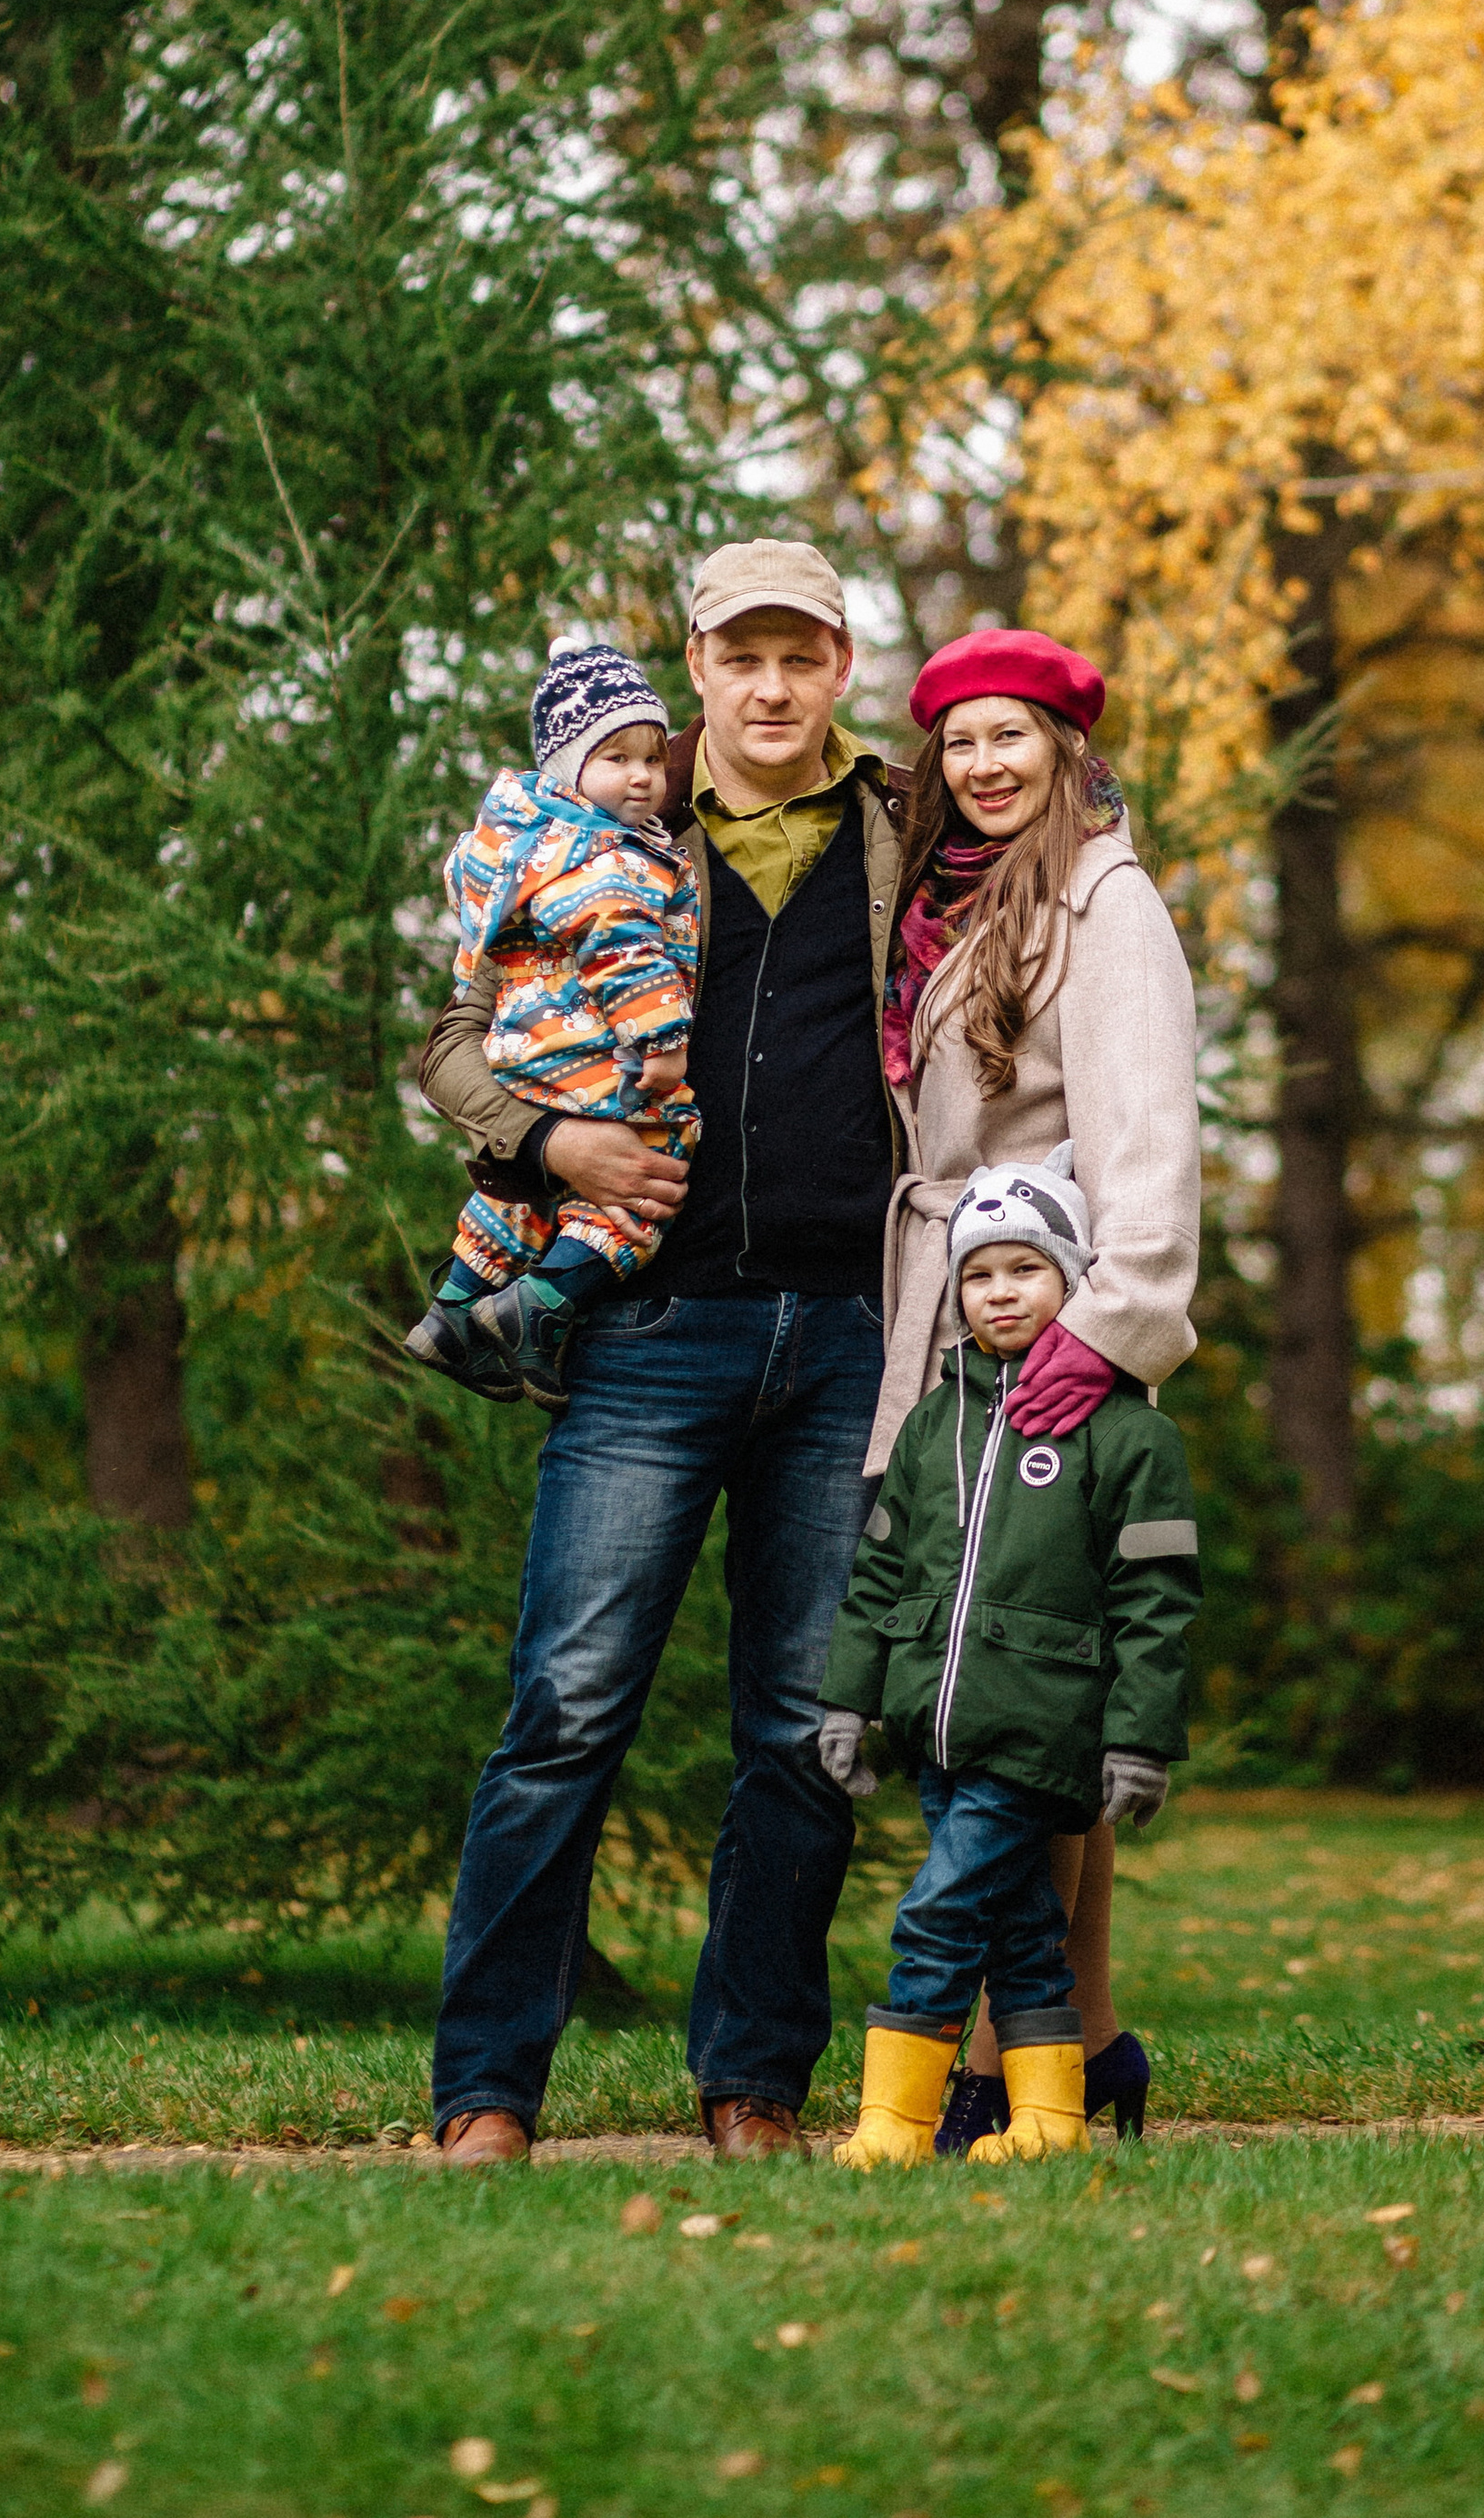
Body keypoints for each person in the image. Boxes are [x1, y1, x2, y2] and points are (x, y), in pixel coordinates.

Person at [415, 540, 908, 2165]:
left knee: (800, 1728)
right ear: (697, 663)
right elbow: (447, 1033)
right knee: (565, 1707)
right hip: (648, 1327)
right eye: (740, 658)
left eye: (803, 658)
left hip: (847, 1333)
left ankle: (752, 2081)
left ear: (840, 664)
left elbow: (1054, 810)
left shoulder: (907, 826)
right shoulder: (609, 806)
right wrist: (547, 1147)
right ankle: (488, 2090)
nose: (771, 689)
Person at [877, 624, 1201, 2149]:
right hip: (968, 1339)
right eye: (961, 742)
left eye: (1014, 737)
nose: (987, 765)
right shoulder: (976, 904)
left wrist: (1106, 1332)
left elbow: (1149, 1147)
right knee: (1021, 1719)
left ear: (1072, 750)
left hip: (1047, 1344)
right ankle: (1086, 2047)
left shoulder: (1107, 905)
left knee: (1021, 1720)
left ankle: (1022, 2065)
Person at [818, 1151, 1199, 2167]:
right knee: (1023, 1928)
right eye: (977, 1275)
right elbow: (879, 1572)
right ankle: (1048, 2119)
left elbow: (1157, 1605)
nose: (999, 1293)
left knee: (939, 1911)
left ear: (1073, 1283)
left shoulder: (1125, 1436)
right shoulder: (931, 1423)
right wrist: (848, 1702)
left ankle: (892, 2124)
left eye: (1024, 1270)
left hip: (1044, 1725)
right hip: (937, 1730)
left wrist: (1140, 1742)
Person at [403, 642, 699, 1411]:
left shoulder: (514, 849)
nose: (642, 777)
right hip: (594, 1051)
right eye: (616, 759)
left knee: (523, 1196)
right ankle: (542, 1306)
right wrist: (663, 1047)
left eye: (652, 759)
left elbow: (483, 959)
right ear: (568, 770)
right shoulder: (610, 856)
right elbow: (624, 950)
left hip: (526, 1055)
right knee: (652, 1169)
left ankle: (455, 1310)